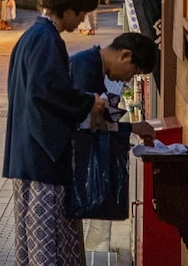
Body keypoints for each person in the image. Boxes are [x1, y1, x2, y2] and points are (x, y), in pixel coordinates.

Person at [3, 0, 108, 266]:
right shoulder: (47, 40)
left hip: (26, 153)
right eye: (82, 13)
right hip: (42, 159)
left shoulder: (32, 36)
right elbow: (47, 92)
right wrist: (89, 101)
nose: (81, 20)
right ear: (70, 9)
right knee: (51, 244)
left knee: (34, 241)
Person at [70, 32, 158, 252]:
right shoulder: (86, 67)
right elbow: (90, 123)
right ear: (125, 55)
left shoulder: (91, 65)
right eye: (133, 72)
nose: (128, 79)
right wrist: (129, 128)